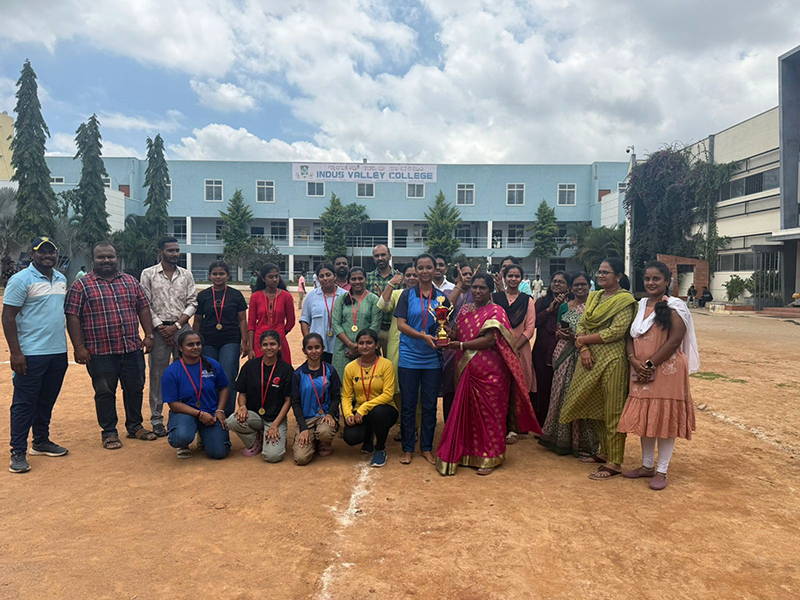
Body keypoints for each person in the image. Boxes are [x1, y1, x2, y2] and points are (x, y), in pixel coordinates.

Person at [436, 273, 540, 476]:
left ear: (490, 290)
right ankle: (467, 453)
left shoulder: (496, 311)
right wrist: (446, 331)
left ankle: (490, 456)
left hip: (491, 373)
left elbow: (491, 340)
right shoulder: (465, 309)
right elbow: (457, 332)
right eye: (474, 287)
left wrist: (460, 345)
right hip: (467, 368)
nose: (477, 291)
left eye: (482, 287)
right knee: (469, 413)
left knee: (490, 415)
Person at [65, 241, 157, 450]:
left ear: (117, 258)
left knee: (135, 388)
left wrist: (149, 335)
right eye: (101, 257)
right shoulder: (81, 286)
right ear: (92, 260)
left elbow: (143, 308)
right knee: (105, 392)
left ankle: (135, 426)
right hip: (100, 351)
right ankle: (109, 432)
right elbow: (73, 317)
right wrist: (79, 347)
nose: (106, 260)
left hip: (131, 347)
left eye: (110, 256)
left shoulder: (130, 281)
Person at [619, 261, 700, 491]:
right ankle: (646, 466)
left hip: (667, 370)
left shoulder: (675, 306)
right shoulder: (639, 305)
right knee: (646, 417)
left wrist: (650, 364)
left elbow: (674, 341)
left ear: (667, 281)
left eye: (656, 279)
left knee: (664, 419)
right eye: (647, 278)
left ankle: (662, 470)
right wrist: (634, 361)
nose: (651, 282)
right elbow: (629, 336)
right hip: (640, 370)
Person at [560, 257, 637, 480]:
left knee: (613, 409)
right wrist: (584, 349)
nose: (600, 275)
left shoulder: (625, 300)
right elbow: (582, 324)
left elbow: (616, 332)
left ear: (618, 276)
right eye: (599, 272)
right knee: (596, 407)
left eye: (606, 272)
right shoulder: (594, 296)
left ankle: (615, 461)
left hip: (613, 359)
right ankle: (603, 452)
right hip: (589, 358)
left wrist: (583, 340)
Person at [3, 237, 69, 473]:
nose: (48, 256)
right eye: (42, 252)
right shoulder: (21, 279)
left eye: (51, 251)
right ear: (32, 255)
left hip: (57, 352)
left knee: (46, 400)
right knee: (24, 403)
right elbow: (8, 316)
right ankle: (18, 452)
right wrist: (16, 352)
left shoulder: (61, 279)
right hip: (31, 353)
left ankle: (40, 441)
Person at [395, 253, 450, 465]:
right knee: (409, 405)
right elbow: (401, 325)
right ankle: (408, 448)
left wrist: (446, 333)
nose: (425, 271)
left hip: (432, 359)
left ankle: (426, 448)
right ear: (415, 270)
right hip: (409, 357)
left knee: (429, 405)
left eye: (429, 267)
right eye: (421, 268)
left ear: (436, 269)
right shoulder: (407, 295)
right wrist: (422, 336)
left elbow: (445, 325)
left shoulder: (441, 297)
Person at [140, 236, 198, 437]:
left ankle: (187, 414)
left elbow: (192, 302)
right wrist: (161, 328)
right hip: (158, 331)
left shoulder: (186, 275)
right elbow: (145, 304)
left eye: (176, 250)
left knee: (187, 372)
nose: (175, 253)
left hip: (182, 329)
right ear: (160, 252)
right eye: (170, 250)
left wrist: (176, 326)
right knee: (158, 375)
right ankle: (157, 419)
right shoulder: (148, 274)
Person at [538, 272, 599, 456]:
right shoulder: (564, 306)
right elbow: (559, 329)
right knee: (560, 394)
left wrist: (577, 339)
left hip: (586, 353)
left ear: (589, 286)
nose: (579, 288)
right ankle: (560, 438)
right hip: (564, 353)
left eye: (583, 284)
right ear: (571, 287)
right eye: (576, 285)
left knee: (581, 395)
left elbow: (595, 332)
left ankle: (584, 442)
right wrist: (561, 334)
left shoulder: (595, 306)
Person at [161, 330, 230, 459]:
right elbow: (173, 404)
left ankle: (204, 436)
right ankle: (183, 443)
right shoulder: (171, 372)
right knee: (181, 436)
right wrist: (200, 414)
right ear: (180, 348)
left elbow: (224, 387)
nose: (196, 347)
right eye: (190, 344)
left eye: (198, 343)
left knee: (219, 452)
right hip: (185, 414)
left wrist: (220, 410)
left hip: (210, 413)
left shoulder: (212, 364)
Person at [226, 330, 293, 462]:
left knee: (272, 456)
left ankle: (276, 439)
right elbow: (242, 393)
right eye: (265, 344)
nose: (269, 348)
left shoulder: (286, 369)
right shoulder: (250, 366)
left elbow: (288, 401)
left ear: (279, 346)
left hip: (274, 418)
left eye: (273, 344)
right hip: (254, 416)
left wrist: (275, 425)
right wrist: (242, 406)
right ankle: (256, 439)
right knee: (232, 421)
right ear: (260, 347)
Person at [193, 261, 248, 416]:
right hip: (208, 341)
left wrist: (245, 342)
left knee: (228, 376)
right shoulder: (203, 295)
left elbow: (242, 320)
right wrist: (193, 342)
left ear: (228, 275)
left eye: (221, 274)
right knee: (209, 377)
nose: (218, 277)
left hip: (230, 340)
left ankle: (226, 413)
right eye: (215, 274)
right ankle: (210, 411)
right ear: (210, 276)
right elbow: (197, 321)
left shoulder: (236, 295)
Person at [493, 263, 537, 444]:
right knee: (498, 386)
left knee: (517, 387)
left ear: (521, 279)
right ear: (504, 278)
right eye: (510, 276)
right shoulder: (495, 298)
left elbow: (530, 329)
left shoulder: (527, 300)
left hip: (520, 349)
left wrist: (514, 347)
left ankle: (514, 428)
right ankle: (498, 426)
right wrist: (503, 346)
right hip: (497, 349)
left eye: (516, 276)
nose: (513, 279)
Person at [341, 329, 397, 468]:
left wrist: (364, 408)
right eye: (361, 343)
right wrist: (348, 414)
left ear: (377, 345)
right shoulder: (350, 368)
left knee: (378, 412)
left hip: (385, 409)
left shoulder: (386, 365)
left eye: (369, 343)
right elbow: (346, 395)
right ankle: (368, 437)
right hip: (360, 411)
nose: (365, 346)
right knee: (351, 438)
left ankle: (380, 448)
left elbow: (388, 394)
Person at [377, 263, 421, 437]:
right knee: (397, 386)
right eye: (408, 275)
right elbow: (383, 305)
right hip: (397, 345)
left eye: (415, 275)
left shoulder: (425, 295)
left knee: (416, 388)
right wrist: (391, 284)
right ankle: (403, 424)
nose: (412, 278)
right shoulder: (397, 294)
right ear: (403, 277)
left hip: (419, 346)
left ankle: (415, 427)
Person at [291, 333, 341, 465]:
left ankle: (324, 441)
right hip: (307, 420)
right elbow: (295, 403)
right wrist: (303, 428)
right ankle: (310, 439)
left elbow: (336, 396)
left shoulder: (330, 370)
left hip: (325, 417)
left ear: (323, 348)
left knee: (325, 431)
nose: (314, 351)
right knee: (301, 458)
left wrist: (330, 414)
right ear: (304, 351)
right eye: (310, 348)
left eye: (317, 347)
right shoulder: (298, 374)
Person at [531, 271, 570, 424]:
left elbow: (574, 326)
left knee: (561, 387)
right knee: (542, 385)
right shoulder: (542, 302)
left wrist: (562, 309)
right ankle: (542, 422)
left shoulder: (572, 304)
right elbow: (533, 323)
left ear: (568, 286)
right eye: (555, 281)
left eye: (561, 282)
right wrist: (549, 310)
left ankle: (558, 423)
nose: (557, 284)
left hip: (563, 352)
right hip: (541, 351)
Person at [331, 267, 382, 382]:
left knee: (365, 383)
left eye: (360, 278)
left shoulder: (374, 299)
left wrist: (360, 347)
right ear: (349, 281)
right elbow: (336, 324)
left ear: (365, 280)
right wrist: (350, 344)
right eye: (353, 279)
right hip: (343, 349)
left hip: (366, 349)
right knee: (342, 382)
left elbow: (375, 325)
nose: (357, 282)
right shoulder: (342, 299)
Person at [439, 263, 474, 421]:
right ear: (455, 277)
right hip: (450, 345)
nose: (468, 276)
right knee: (449, 385)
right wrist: (459, 286)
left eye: (470, 274)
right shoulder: (447, 292)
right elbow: (445, 310)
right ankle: (449, 423)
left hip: (471, 344)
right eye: (464, 273)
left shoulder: (477, 293)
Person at [299, 263, 347, 364]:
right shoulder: (311, 296)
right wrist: (308, 342)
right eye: (321, 276)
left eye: (328, 275)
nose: (325, 278)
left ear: (335, 276)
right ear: (318, 279)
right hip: (317, 348)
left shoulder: (345, 295)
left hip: (339, 345)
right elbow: (304, 320)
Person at [248, 263, 295, 364]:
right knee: (260, 369)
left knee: (282, 369)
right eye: (270, 277)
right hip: (260, 342)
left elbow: (291, 321)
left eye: (276, 276)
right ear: (263, 278)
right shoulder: (255, 297)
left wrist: (280, 332)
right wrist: (251, 348)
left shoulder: (286, 296)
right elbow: (251, 324)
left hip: (279, 341)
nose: (274, 279)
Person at [366, 244, 404, 356]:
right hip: (374, 329)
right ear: (373, 258)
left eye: (383, 255)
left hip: (394, 329)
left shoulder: (400, 277)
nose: (380, 258)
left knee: (392, 361)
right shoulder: (368, 278)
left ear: (390, 256)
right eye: (376, 256)